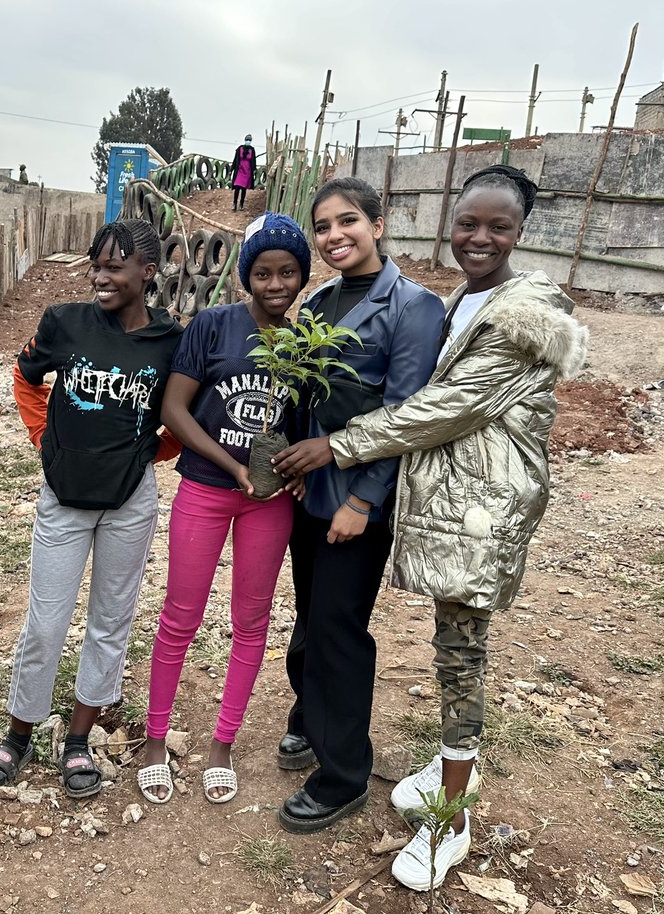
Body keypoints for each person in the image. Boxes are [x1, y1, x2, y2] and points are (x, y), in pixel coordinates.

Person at [273, 165, 587, 890]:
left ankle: (452, 817)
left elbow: (437, 408)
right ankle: (422, 771)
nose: (479, 238)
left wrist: (344, 456)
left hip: (481, 510)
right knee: (423, 645)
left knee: (458, 656)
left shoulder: (518, 316)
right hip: (440, 501)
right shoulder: (462, 299)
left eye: (497, 226)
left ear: (520, 231)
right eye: (468, 223)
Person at [0, 218, 182, 800]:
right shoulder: (64, 323)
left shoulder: (171, 340)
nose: (101, 277)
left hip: (128, 504)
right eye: (96, 265)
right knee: (45, 622)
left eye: (114, 266)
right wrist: (45, 439)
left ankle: (78, 740)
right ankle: (19, 733)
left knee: (111, 622)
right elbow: (24, 376)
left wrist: (150, 451)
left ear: (149, 271)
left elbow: (186, 411)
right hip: (64, 499)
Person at [273, 177, 444, 834]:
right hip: (308, 494)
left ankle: (342, 774)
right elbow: (302, 397)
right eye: (323, 226)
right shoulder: (319, 301)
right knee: (310, 619)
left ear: (379, 224)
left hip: (355, 502)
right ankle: (307, 721)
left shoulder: (411, 307)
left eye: (348, 221)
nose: (334, 235)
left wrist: (366, 500)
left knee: (339, 633)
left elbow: (406, 415)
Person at [137, 213, 307, 806]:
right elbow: (175, 411)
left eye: (288, 272)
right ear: (245, 277)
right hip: (209, 487)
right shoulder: (213, 326)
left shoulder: (308, 340)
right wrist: (233, 467)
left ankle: (222, 744)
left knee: (251, 621)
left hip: (270, 502)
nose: (276, 283)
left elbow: (307, 424)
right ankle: (156, 739)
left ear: (302, 277)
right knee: (180, 616)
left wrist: (299, 474)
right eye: (263, 272)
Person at [230, 135, 256, 213]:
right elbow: (235, 160)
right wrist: (231, 170)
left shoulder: (252, 150)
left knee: (244, 188)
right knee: (237, 187)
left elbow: (253, 161)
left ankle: (241, 204)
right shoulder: (239, 149)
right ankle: (234, 203)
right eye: (247, 139)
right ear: (245, 140)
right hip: (239, 170)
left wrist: (254, 170)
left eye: (249, 140)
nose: (248, 141)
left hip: (247, 171)